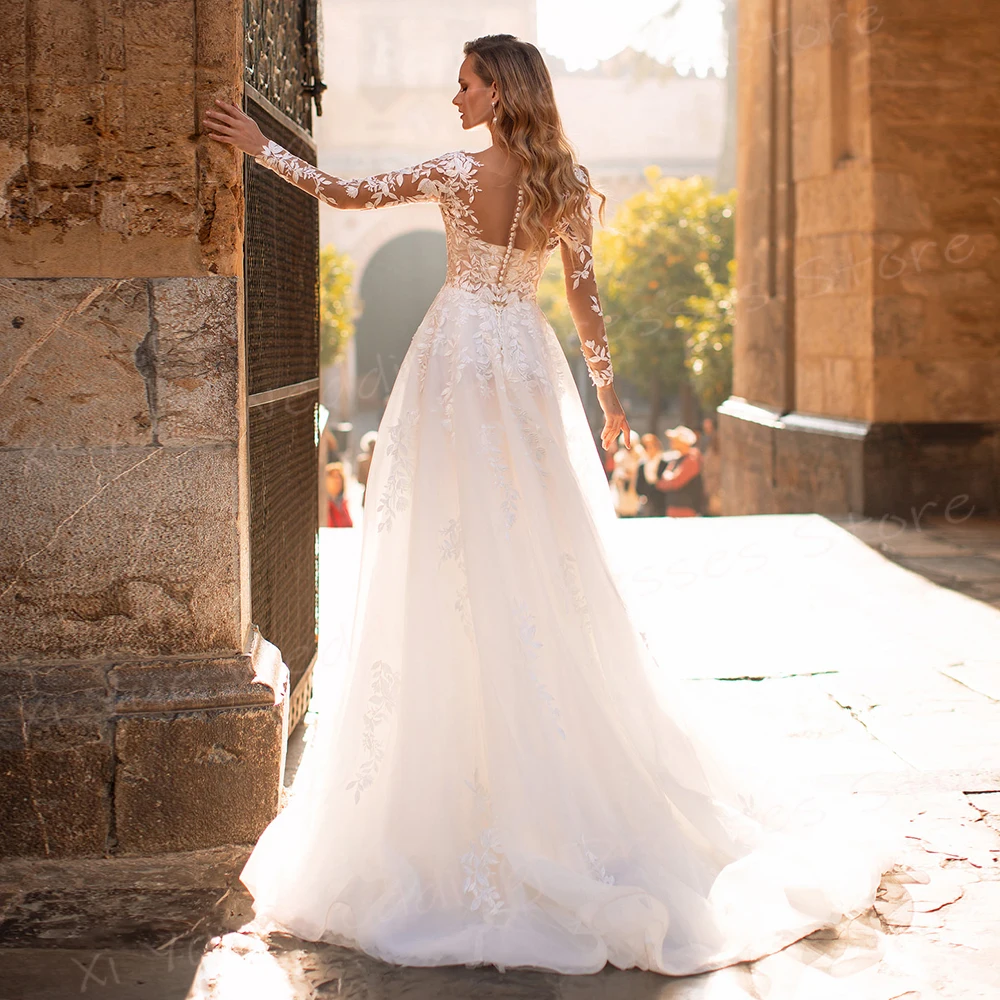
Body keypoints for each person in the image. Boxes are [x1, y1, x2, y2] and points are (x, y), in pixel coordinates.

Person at [203, 33, 903, 979]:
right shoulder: (565, 181)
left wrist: (262, 147)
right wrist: (609, 398)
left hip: (455, 364)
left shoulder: (457, 173)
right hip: (524, 366)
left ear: (499, 91)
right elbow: (586, 299)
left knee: (446, 549)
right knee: (532, 545)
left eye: (466, 82)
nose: (455, 96)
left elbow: (346, 193)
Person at [654, 425, 705, 517]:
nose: (671, 442)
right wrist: (669, 479)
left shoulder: (692, 459)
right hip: (673, 508)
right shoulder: (676, 459)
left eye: (675, 440)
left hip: (686, 510)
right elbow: (661, 483)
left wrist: (669, 479)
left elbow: (676, 482)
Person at [634, 432, 673, 518]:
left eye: (652, 446)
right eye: (647, 446)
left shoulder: (664, 463)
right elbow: (639, 486)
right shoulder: (642, 464)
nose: (650, 449)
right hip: (648, 502)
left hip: (662, 501)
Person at [325, 462, 354, 528]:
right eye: (334, 477)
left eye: (339, 477)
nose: (337, 480)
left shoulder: (343, 503)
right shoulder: (324, 504)